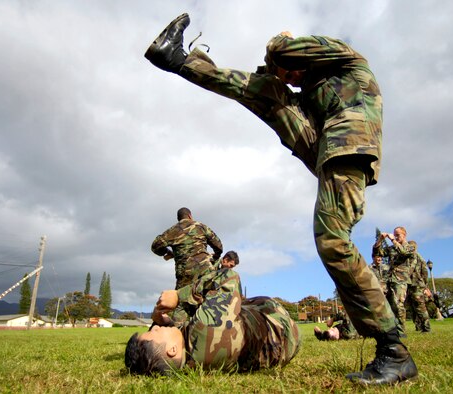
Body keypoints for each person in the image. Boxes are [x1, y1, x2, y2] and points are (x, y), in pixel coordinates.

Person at [144, 13, 417, 385]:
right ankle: (177, 60)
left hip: (347, 143)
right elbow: (268, 82)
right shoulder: (314, 92)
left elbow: (280, 47)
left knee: (334, 242)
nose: (290, 79)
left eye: (292, 72)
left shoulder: (347, 59)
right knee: (265, 92)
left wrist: (279, 46)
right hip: (324, 145)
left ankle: (394, 351)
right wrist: (272, 77)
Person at [124, 268, 301, 375]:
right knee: (230, 300)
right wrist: (179, 296)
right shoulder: (205, 328)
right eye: (155, 331)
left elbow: (180, 332)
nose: (156, 327)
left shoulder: (189, 361)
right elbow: (229, 276)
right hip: (281, 325)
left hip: (277, 353)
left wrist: (163, 322)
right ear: (171, 350)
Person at [151, 207, 223, 290]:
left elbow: (155, 246)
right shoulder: (201, 226)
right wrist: (215, 258)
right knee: (208, 298)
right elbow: (219, 246)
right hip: (204, 269)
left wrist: (167, 252)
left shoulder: (172, 230)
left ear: (178, 219)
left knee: (181, 299)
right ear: (190, 216)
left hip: (185, 273)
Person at [373, 227, 415, 337]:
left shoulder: (410, 247)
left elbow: (404, 252)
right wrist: (380, 240)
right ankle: (389, 330)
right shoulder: (391, 248)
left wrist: (392, 240)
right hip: (389, 279)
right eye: (395, 234)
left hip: (400, 280)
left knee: (398, 305)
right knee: (385, 304)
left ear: (404, 235)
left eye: (398, 235)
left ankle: (401, 331)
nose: (396, 236)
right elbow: (377, 252)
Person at [407, 241, 431, 333]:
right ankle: (418, 327)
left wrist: (425, 287)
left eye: (412, 247)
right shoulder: (406, 258)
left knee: (420, 307)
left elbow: (425, 273)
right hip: (409, 285)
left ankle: (426, 328)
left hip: (417, 285)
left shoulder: (419, 258)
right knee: (412, 307)